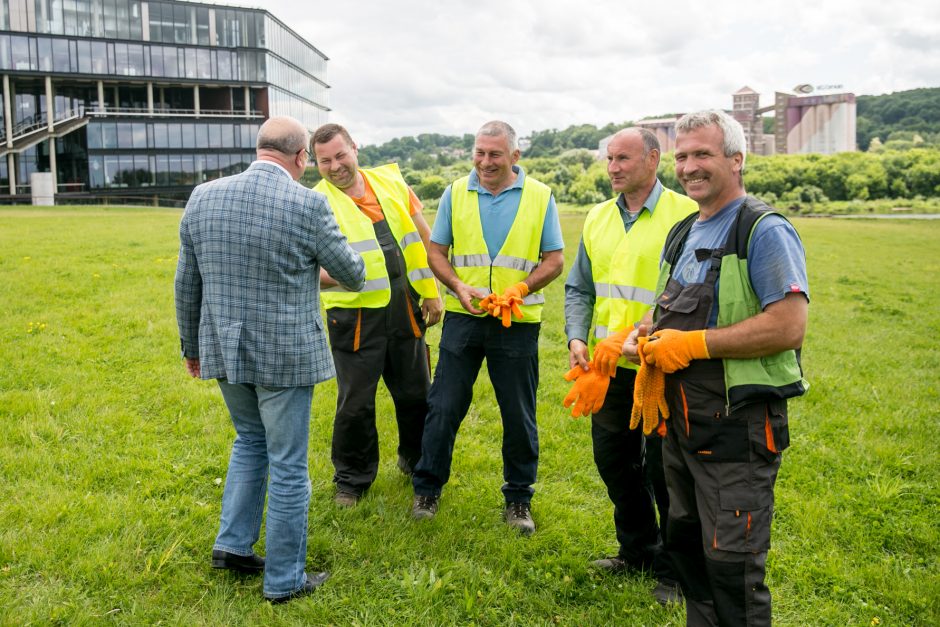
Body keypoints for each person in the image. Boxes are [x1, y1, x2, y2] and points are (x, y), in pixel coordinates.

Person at [625, 110, 809, 626]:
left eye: (702, 154)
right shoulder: (683, 231)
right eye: (682, 156)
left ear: (736, 158)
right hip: (681, 427)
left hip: (736, 430)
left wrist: (695, 345)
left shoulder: (763, 230)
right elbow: (666, 310)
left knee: (733, 568)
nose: (689, 167)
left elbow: (789, 325)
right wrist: (635, 338)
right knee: (690, 554)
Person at [174, 116, 365, 604]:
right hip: (284, 356)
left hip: (222, 347)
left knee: (248, 441)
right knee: (287, 464)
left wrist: (191, 348)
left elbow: (186, 282)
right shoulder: (308, 202)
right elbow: (353, 273)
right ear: (301, 157)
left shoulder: (203, 196)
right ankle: (283, 580)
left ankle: (233, 546)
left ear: (260, 149)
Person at [410, 120, 564, 534]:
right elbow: (436, 252)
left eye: (495, 154)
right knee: (443, 407)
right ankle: (426, 490)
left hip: (517, 322)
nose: (485, 161)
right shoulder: (455, 193)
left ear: (515, 156)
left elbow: (554, 260)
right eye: (479, 152)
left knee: (518, 415)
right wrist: (457, 285)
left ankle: (518, 500)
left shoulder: (540, 196)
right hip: (465, 318)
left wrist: (521, 287)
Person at [563, 128, 696, 602]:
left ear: (654, 159)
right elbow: (579, 287)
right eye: (609, 159)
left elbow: (688, 292)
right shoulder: (598, 217)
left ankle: (676, 572)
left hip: (662, 367)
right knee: (614, 461)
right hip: (608, 369)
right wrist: (578, 336)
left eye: (623, 158)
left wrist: (640, 334)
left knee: (666, 472)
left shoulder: (686, 214)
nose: (614, 167)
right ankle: (637, 550)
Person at [311, 123, 442, 508]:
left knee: (417, 393)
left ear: (355, 148)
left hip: (405, 306)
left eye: (340, 155)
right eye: (325, 161)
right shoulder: (315, 203)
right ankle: (351, 481)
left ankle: (416, 460)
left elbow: (424, 238)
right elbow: (305, 267)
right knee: (355, 403)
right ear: (315, 164)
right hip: (354, 319)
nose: (335, 166)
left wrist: (431, 292)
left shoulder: (392, 184)